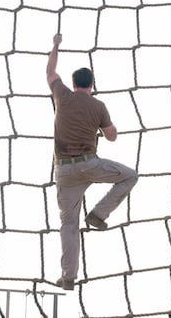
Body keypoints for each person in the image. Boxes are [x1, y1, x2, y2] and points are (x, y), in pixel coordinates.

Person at [46, 33, 138, 291]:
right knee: (130, 176)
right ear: (92, 84)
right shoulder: (99, 106)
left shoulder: (61, 94)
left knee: (68, 225)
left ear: (73, 83)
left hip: (64, 171)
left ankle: (68, 277)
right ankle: (98, 214)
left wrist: (55, 45)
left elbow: (50, 71)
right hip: (90, 164)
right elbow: (112, 137)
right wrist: (105, 127)